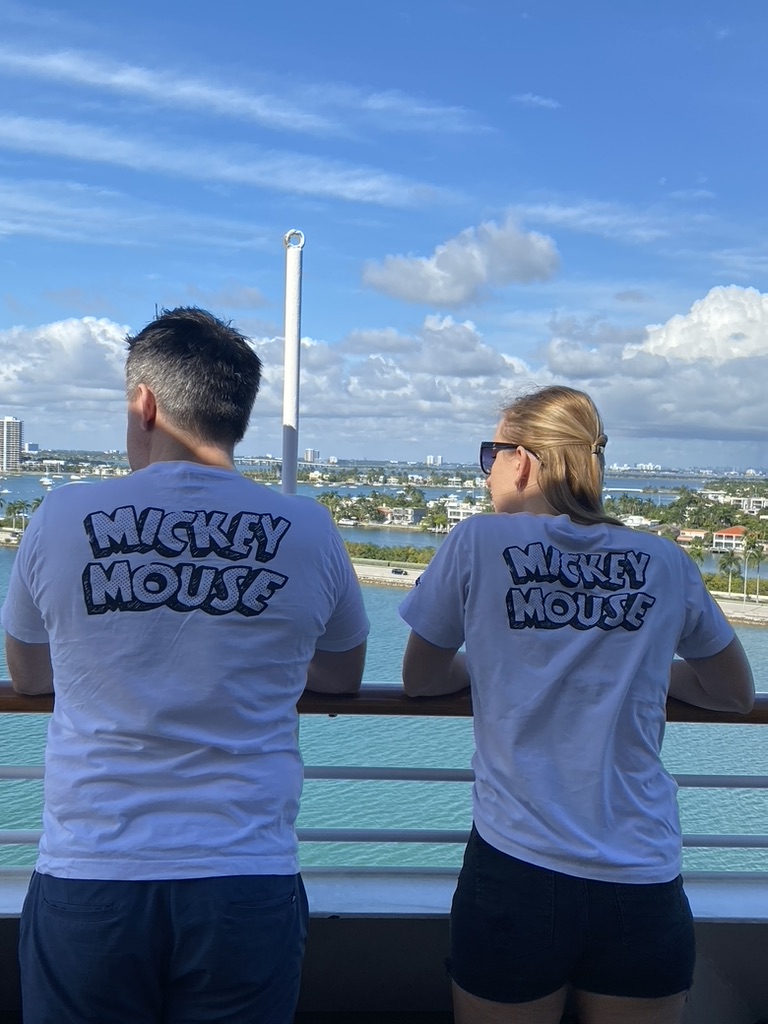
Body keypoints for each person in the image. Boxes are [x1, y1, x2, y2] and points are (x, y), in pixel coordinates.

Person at [2, 306, 369, 1024]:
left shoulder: (60, 518)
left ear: (145, 403)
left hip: (92, 868)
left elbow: (30, 677)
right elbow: (341, 675)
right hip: (246, 872)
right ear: (238, 414)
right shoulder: (310, 527)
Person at [398, 385, 754, 1024]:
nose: (486, 473)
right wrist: (639, 670)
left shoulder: (477, 541)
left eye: (490, 455)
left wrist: (500, 664)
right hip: (642, 874)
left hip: (516, 867)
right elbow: (733, 692)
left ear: (524, 461)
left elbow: (421, 679)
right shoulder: (664, 559)